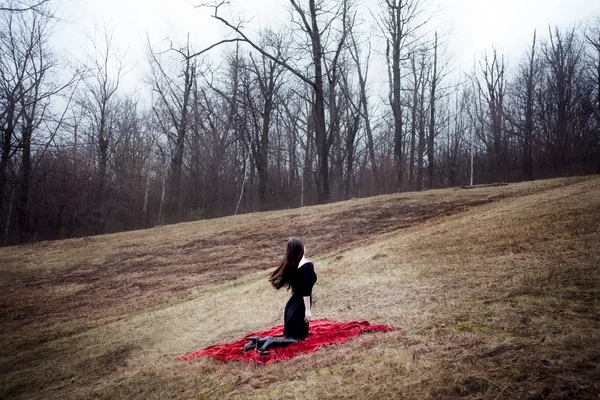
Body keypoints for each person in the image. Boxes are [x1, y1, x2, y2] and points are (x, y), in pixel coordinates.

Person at [244, 237, 317, 353]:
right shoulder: (308, 266)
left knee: (292, 336)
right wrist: (308, 310)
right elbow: (305, 290)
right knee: (298, 339)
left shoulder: (293, 265)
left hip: (291, 306)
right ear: (301, 248)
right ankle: (271, 341)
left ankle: (260, 340)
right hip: (300, 306)